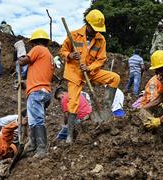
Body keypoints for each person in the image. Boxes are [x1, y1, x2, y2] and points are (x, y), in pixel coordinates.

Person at [60, 9, 120, 130]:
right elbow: (62, 51)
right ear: (87, 24)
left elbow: (101, 59)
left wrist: (89, 68)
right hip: (74, 74)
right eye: (94, 28)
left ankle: (105, 110)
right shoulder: (74, 35)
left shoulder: (101, 39)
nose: (96, 31)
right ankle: (70, 134)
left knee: (115, 78)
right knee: (73, 103)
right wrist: (70, 55)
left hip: (91, 72)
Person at [18, 29, 54, 158]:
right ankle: (33, 146)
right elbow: (39, 75)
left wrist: (20, 52)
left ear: (35, 42)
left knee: (37, 120)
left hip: (37, 92)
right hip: (43, 91)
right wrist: (24, 83)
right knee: (33, 121)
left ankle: (42, 149)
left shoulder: (38, 48)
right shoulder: (48, 55)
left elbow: (22, 61)